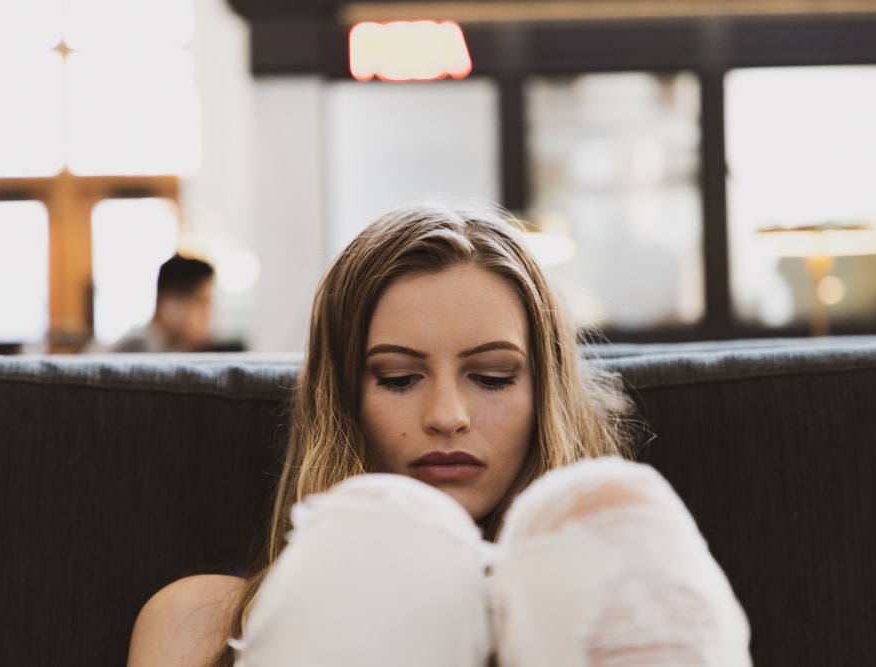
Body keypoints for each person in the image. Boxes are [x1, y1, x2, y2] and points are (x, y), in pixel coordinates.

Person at [126, 202, 751, 666]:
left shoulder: (625, 602)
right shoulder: (196, 625)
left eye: (492, 376)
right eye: (398, 378)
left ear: (544, 397)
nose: (446, 415)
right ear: (342, 401)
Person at [111, 254, 215, 353]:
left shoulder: (175, 349)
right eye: (202, 303)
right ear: (172, 305)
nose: (208, 315)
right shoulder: (137, 349)